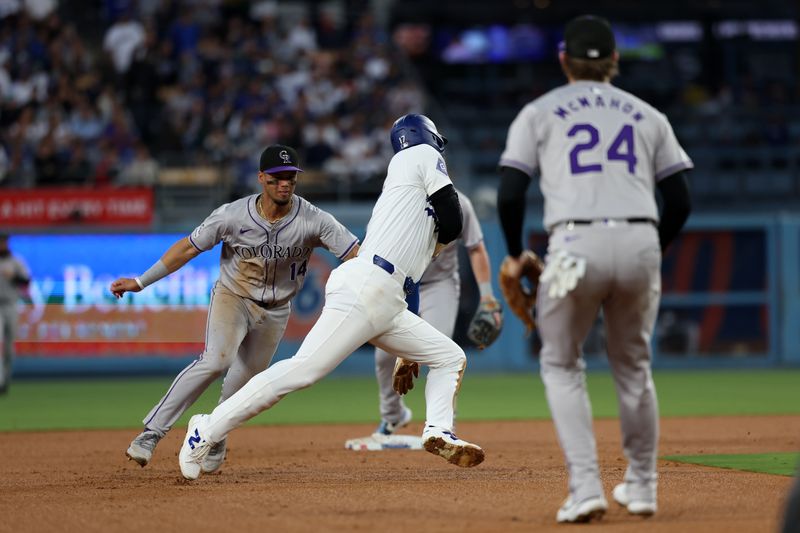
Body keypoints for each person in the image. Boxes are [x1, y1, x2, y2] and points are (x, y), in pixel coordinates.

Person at [177, 114, 485, 480]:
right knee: (302, 371)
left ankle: (437, 430)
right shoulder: (414, 155)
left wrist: (406, 352)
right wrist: (443, 239)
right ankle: (206, 429)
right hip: (367, 284)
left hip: (388, 295)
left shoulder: (410, 198)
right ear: (426, 138)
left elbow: (414, 273)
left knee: (449, 356)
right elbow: (453, 216)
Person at [497, 16, 692, 523]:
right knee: (634, 367)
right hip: (639, 237)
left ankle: (586, 488)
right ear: (614, 61)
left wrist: (517, 252)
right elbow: (679, 197)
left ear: (563, 60)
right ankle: (644, 486)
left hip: (575, 241)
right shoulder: (648, 115)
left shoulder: (538, 112)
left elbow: (511, 190)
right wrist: (655, 245)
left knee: (561, 364)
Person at [112, 144, 359, 471]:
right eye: (276, 177)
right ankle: (151, 433)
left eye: (291, 177)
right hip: (234, 297)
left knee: (241, 385)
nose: (284, 183)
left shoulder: (314, 220)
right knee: (217, 360)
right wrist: (141, 281)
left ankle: (213, 433)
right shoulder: (232, 215)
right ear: (261, 178)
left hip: (277, 310)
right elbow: (187, 249)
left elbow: (357, 254)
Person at [346, 188, 500, 450]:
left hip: (439, 285)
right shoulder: (396, 197)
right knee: (384, 357)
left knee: (440, 351)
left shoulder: (460, 202)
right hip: (399, 283)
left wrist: (487, 296)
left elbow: (476, 248)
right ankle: (393, 416)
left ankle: (444, 426)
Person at [0, 234, 31, 395]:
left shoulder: (15, 261)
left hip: (10, 304)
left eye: (3, 241)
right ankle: (0, 379)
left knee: (9, 347)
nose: (1, 244)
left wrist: (14, 277)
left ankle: (5, 380)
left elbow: (27, 281)